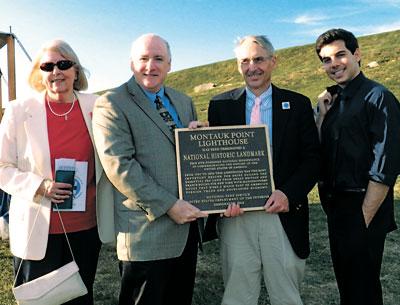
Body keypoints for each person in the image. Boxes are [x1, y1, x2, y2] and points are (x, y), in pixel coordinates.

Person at [92, 33, 207, 305]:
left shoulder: (183, 101)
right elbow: (120, 166)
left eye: (158, 59)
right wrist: (169, 205)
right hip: (146, 233)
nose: (150, 66)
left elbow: (186, 155)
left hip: (187, 230)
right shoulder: (111, 103)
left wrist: (198, 138)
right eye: (143, 58)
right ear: (132, 64)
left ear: (170, 64)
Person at [206, 35, 320, 305]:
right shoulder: (221, 105)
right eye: (244, 61)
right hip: (237, 216)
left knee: (286, 294)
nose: (252, 67)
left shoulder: (298, 104)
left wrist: (288, 194)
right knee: (237, 294)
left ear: (273, 62)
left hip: (281, 212)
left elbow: (313, 159)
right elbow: (214, 161)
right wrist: (219, 198)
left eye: (258, 59)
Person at [0, 39, 115, 305]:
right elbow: (2, 167)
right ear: (39, 73)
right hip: (36, 227)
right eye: (48, 66)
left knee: (79, 297)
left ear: (76, 71)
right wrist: (39, 185)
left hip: (85, 228)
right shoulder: (19, 111)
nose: (56, 72)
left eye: (63, 64)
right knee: (41, 300)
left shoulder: (97, 106)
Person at [315, 28, 400, 305]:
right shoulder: (333, 100)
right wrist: (321, 117)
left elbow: (385, 167)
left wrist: (362, 219)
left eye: (340, 55)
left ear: (357, 54)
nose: (334, 64)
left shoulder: (378, 97)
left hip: (363, 207)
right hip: (337, 208)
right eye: (326, 60)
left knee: (362, 290)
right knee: (348, 287)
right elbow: (322, 153)